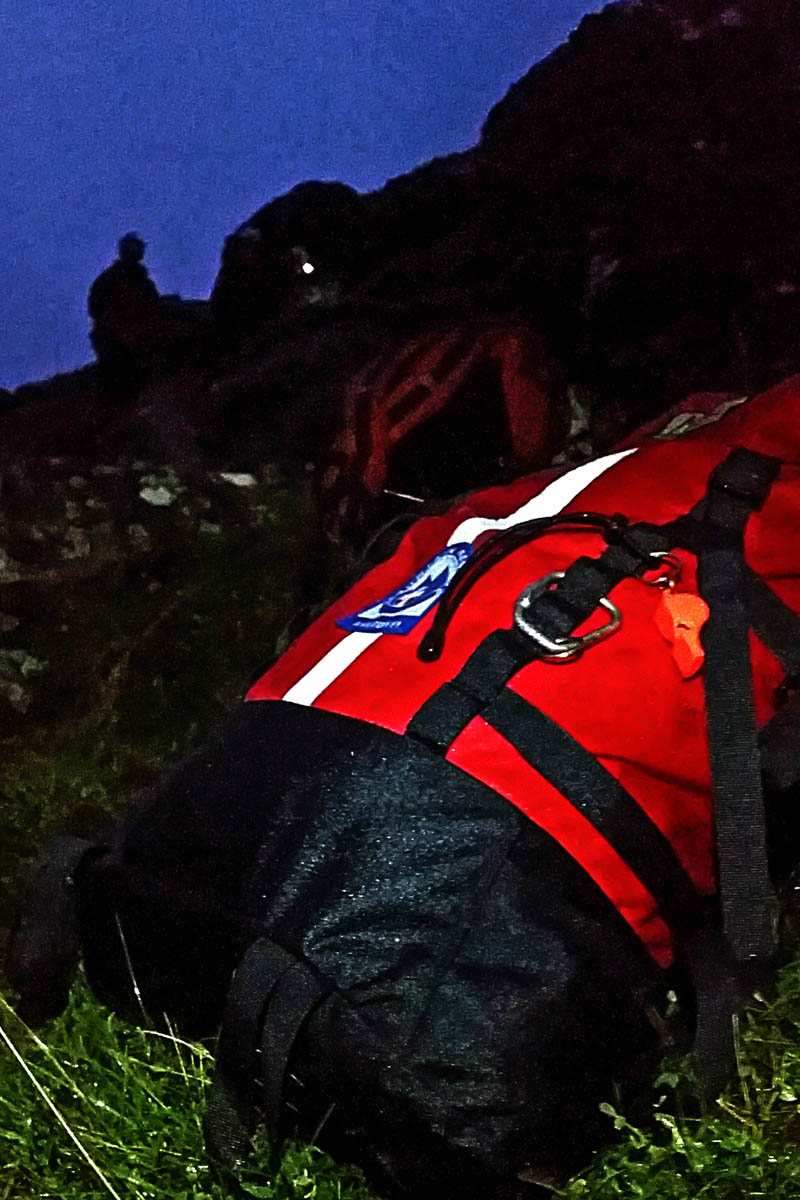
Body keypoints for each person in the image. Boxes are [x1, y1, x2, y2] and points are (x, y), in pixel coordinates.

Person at [88, 233, 161, 388]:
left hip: (141, 342)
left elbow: (155, 309)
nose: (133, 252)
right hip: (114, 342)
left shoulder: (145, 284)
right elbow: (96, 309)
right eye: (130, 248)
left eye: (136, 248)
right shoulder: (108, 280)